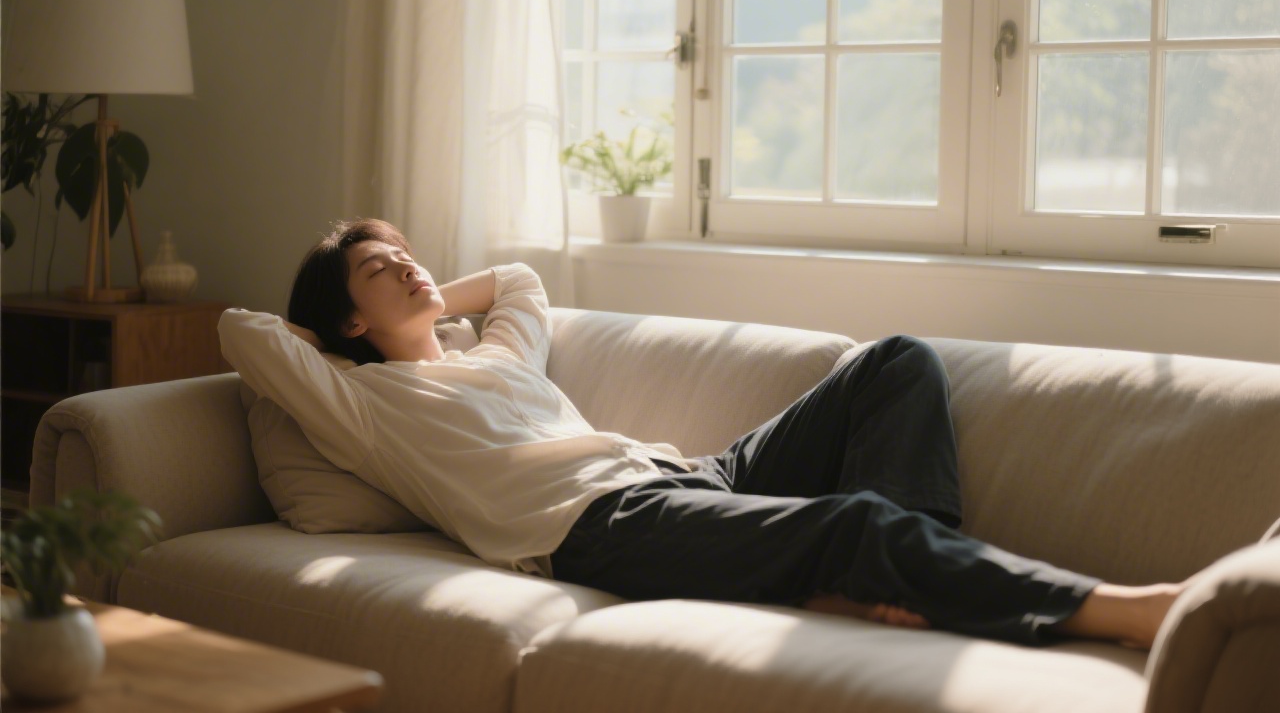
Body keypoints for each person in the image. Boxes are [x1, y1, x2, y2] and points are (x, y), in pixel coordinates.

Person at [219, 218, 1188, 650]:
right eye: (382, 271)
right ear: (343, 323)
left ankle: (902, 580)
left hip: (683, 476)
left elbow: (517, 277)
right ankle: (1127, 610)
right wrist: (348, 327)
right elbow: (244, 331)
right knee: (848, 522)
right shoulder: (362, 407)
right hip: (598, 525)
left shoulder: (494, 355)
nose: (412, 269)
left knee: (895, 359)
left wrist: (418, 298)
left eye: (408, 255)